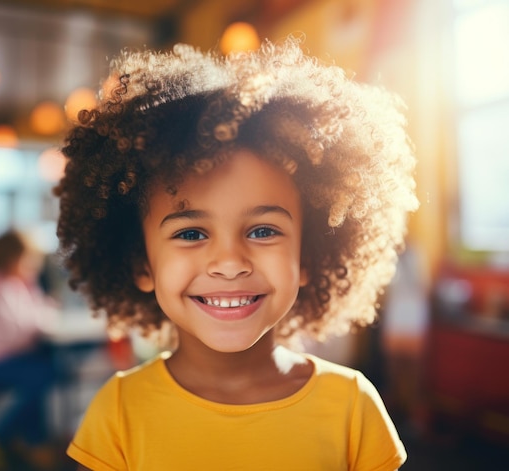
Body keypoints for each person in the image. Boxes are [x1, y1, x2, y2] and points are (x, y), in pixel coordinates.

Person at [55, 38, 419, 470]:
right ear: (141, 263)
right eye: (191, 233)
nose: (229, 262)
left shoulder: (353, 408)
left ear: (306, 257)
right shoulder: (117, 413)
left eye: (263, 230)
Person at [0, 229, 60, 469]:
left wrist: (31, 290)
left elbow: (38, 309)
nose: (32, 266)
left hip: (14, 354)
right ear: (11, 257)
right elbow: (15, 330)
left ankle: (33, 441)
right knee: (44, 374)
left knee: (45, 369)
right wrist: (38, 323)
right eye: (28, 260)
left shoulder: (17, 282)